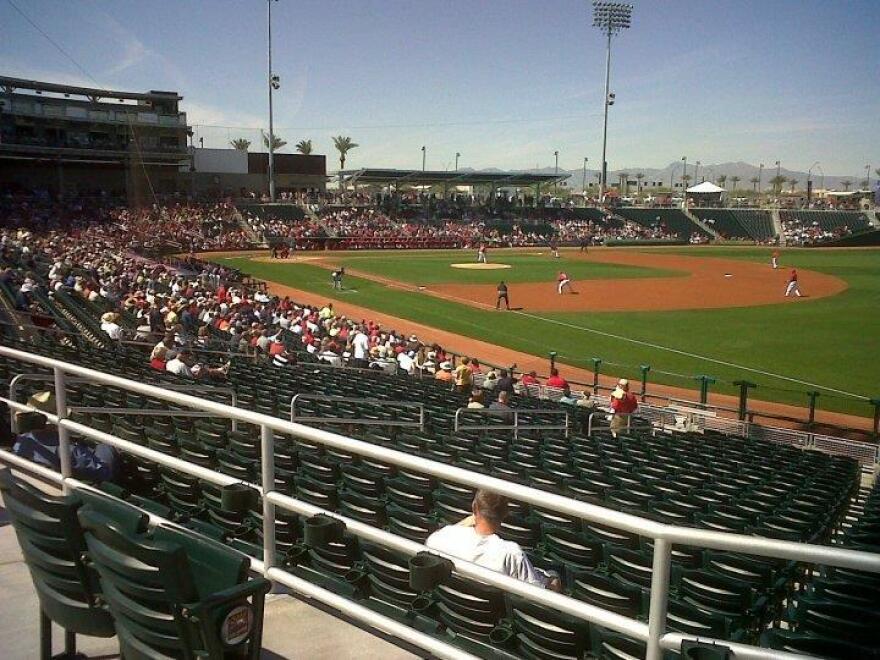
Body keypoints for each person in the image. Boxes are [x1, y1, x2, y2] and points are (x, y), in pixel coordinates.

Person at [425, 489, 560, 591]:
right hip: (491, 616)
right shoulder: (511, 553)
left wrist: (467, 521)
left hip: (453, 611)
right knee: (555, 577)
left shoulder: (445, 536)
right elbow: (537, 595)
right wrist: (554, 579)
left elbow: (430, 541)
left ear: (473, 508)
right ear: (505, 513)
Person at [12, 392, 120, 482]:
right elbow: (102, 472)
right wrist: (106, 447)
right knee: (106, 447)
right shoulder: (69, 450)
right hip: (65, 486)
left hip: (36, 483)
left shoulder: (20, 441)